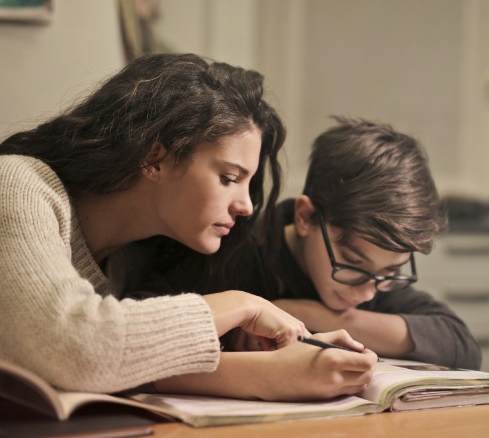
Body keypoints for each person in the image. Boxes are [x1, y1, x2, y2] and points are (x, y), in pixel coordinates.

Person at [0, 54, 377, 400]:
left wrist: (268, 362)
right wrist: (241, 307)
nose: (246, 206)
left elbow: (115, 358)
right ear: (154, 157)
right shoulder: (17, 184)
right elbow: (76, 348)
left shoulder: (134, 257)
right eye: (229, 178)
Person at [143, 116, 481, 370]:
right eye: (353, 264)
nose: (367, 293)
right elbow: (140, 329)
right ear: (305, 217)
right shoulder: (231, 248)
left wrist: (318, 316)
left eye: (391, 272)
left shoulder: (376, 279)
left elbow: (461, 345)